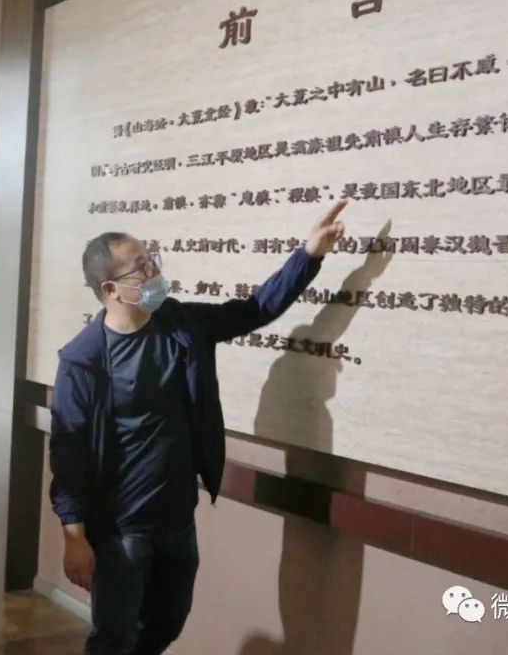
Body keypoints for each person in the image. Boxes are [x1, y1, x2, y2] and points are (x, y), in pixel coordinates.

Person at [49, 201, 349, 654]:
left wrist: (308, 256)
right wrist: (74, 536)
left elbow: (254, 309)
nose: (154, 272)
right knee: (114, 637)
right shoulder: (83, 361)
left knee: (168, 623)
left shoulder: (181, 324)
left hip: (177, 517)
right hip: (120, 530)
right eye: (141, 267)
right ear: (110, 289)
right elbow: (68, 453)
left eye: (153, 259)